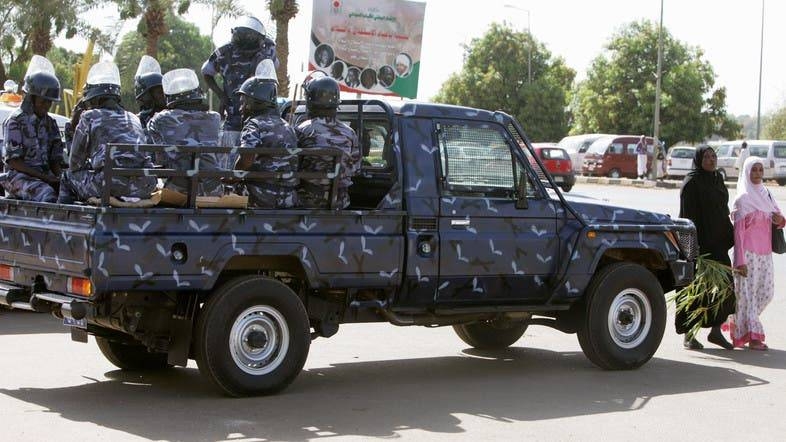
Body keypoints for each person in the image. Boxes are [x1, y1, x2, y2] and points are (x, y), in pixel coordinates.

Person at [58, 61, 156, 203]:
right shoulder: (134, 117)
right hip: (144, 186)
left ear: (94, 99)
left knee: (67, 177)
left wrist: (72, 125)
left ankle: (66, 220)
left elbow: (75, 164)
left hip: (109, 185)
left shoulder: (89, 116)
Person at [676, 145, 735, 350]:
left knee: (726, 289)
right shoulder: (691, 183)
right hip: (699, 247)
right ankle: (689, 335)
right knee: (697, 291)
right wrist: (690, 250)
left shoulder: (717, 179)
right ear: (699, 159)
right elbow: (686, 217)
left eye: (713, 156)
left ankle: (716, 332)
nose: (711, 160)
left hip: (718, 245)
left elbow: (722, 209)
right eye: (707, 157)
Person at [201, 16, 278, 170]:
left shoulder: (268, 50)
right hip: (234, 112)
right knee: (230, 158)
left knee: (262, 159)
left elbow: (273, 69)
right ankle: (231, 189)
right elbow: (206, 72)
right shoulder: (223, 52)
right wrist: (221, 95)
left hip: (262, 112)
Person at [729, 156, 785, 350]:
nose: (758, 174)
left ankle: (741, 323)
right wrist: (740, 261)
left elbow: (778, 217)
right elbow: (738, 234)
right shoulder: (742, 199)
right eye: (754, 170)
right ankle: (752, 336)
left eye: (760, 170)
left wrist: (779, 219)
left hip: (765, 254)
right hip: (748, 255)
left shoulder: (766, 193)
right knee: (747, 296)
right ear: (746, 171)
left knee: (766, 293)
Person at [147, 68, 223, 197]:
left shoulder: (161, 119)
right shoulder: (215, 117)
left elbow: (160, 157)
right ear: (197, 93)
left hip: (178, 190)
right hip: (212, 190)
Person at [234, 60, 298, 208]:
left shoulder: (253, 124)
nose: (240, 109)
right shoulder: (287, 126)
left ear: (254, 103)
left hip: (261, 197)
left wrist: (233, 176)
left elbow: (246, 160)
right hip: (289, 199)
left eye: (244, 103)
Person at [0, 56, 64, 202]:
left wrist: (61, 179)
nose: (47, 105)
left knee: (69, 194)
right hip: (18, 177)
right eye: (43, 101)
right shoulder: (16, 121)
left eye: (50, 102)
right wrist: (46, 178)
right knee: (47, 195)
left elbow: (55, 160)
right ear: (32, 98)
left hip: (45, 177)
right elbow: (14, 162)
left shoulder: (50, 123)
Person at [295, 76, 360, 209]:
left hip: (307, 202)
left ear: (310, 100)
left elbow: (291, 165)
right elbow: (356, 169)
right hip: (340, 203)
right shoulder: (350, 133)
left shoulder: (302, 130)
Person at [134, 55, 166, 130]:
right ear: (146, 96)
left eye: (163, 91)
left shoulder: (172, 117)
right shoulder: (135, 121)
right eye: (159, 92)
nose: (163, 95)